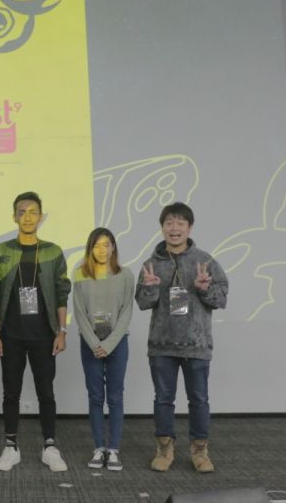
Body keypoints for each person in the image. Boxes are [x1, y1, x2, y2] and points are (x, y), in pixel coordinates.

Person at [135, 202, 228, 473]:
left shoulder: (205, 261)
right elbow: (142, 303)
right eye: (169, 223)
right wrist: (150, 289)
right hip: (161, 345)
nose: (174, 228)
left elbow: (221, 299)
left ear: (189, 227)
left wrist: (204, 289)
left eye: (180, 223)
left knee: (199, 400)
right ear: (162, 227)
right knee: (163, 399)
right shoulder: (151, 264)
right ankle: (164, 449)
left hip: (196, 345)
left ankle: (200, 451)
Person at [0, 192, 71, 472]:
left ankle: (50, 447)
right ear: (14, 217)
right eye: (22, 212)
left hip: (44, 335)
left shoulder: (52, 252)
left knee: (46, 392)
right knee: (11, 393)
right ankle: (11, 447)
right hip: (10, 335)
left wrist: (62, 331)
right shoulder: (2, 251)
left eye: (33, 212)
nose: (28, 217)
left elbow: (61, 292)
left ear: (41, 217)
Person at [72, 227, 134, 471]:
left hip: (117, 344)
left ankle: (113, 450)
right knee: (96, 397)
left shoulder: (125, 275)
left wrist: (108, 345)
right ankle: (99, 448)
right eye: (96, 245)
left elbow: (126, 312)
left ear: (113, 248)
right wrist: (95, 344)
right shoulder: (80, 274)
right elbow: (79, 312)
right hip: (90, 345)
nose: (101, 250)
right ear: (90, 249)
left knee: (115, 397)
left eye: (106, 245)